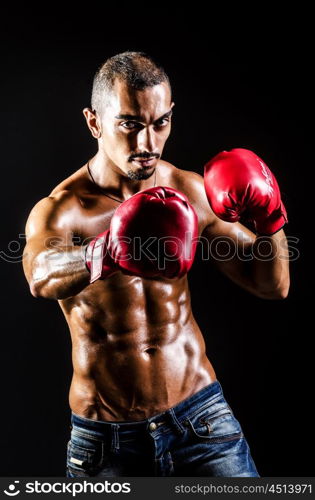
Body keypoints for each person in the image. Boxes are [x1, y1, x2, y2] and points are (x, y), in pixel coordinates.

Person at [22, 51, 290, 477]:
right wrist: (107, 251)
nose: (147, 143)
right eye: (129, 124)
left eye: (159, 122)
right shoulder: (62, 210)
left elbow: (271, 284)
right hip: (105, 439)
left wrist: (272, 219)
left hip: (201, 420)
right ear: (95, 123)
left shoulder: (189, 189)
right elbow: (40, 276)